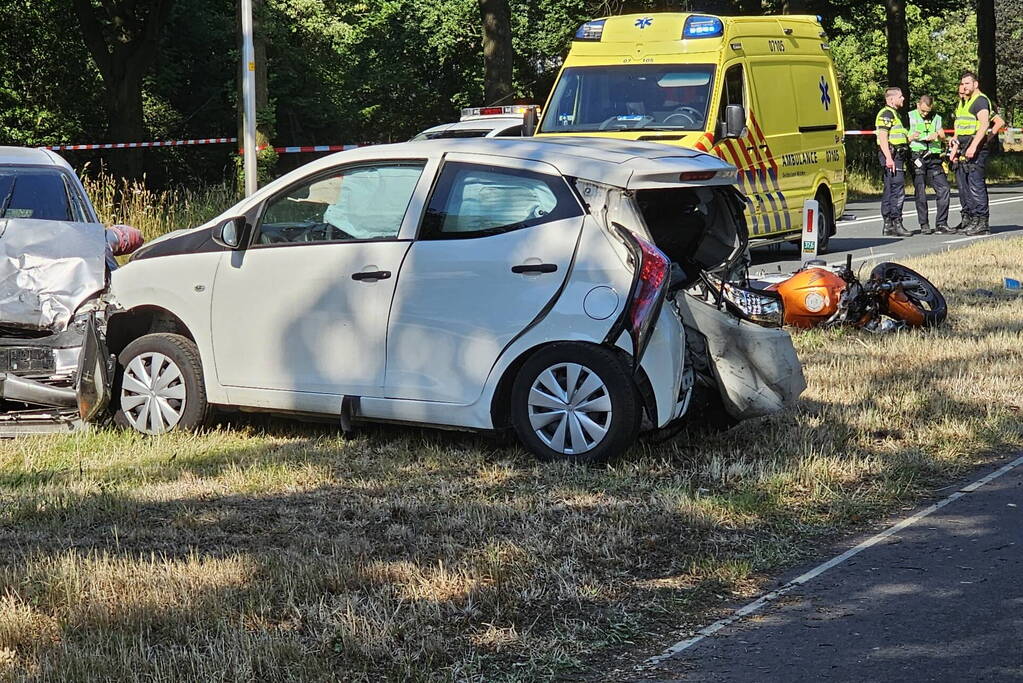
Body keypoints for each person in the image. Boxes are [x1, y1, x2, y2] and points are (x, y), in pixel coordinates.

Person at [949, 71, 992, 235]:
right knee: (968, 186)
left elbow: (984, 125)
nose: (964, 86)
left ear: (975, 84)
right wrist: (955, 147)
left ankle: (982, 222)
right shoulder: (966, 102)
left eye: (967, 83)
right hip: (965, 148)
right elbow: (961, 130)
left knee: (976, 186)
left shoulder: (980, 100)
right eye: (963, 83)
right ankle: (974, 220)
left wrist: (973, 146)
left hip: (976, 149)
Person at [907, 95, 951, 234]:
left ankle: (941, 223)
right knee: (920, 190)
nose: (925, 114)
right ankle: (924, 224)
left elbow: (943, 136)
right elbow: (902, 138)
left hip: (934, 157)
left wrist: (938, 135)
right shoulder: (909, 116)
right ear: (918, 105)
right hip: (917, 156)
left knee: (944, 188)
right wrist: (911, 137)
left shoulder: (937, 117)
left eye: (928, 111)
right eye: (923, 111)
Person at [875, 87, 912, 237]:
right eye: (900, 96)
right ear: (891, 99)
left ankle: (889, 225)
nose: (903, 99)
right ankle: (896, 223)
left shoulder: (895, 114)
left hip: (895, 156)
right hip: (892, 156)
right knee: (897, 190)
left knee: (891, 189)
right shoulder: (887, 114)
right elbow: (883, 137)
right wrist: (889, 158)